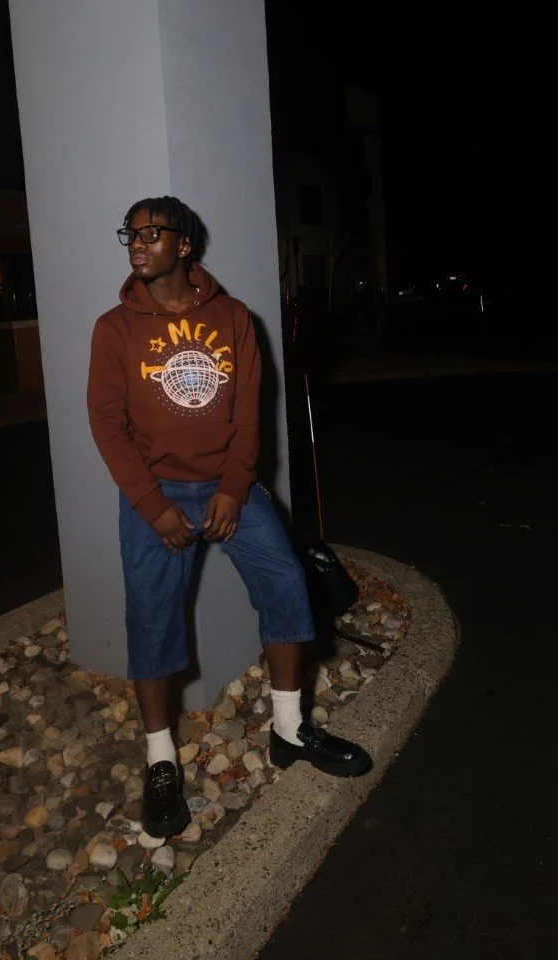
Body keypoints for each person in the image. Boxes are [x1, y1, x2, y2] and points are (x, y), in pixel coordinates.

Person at [87, 196, 370, 839]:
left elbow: (250, 415)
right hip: (156, 494)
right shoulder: (114, 328)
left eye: (151, 232)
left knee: (288, 588)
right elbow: (107, 425)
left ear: (183, 244)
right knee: (152, 619)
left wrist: (235, 489)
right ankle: (161, 762)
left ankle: (291, 729)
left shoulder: (235, 318)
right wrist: (153, 506)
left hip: (228, 487)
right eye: (130, 233)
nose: (137, 242)